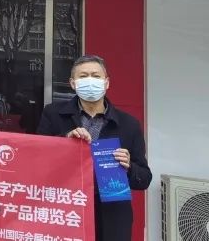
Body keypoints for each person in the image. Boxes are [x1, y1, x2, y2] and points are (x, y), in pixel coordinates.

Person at [36, 55, 151, 241]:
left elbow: (144, 179)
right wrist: (64, 142)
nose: (90, 80)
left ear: (107, 83)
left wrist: (129, 167)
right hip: (66, 208)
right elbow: (37, 158)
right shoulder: (53, 114)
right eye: (83, 76)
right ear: (73, 83)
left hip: (112, 217)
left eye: (96, 76)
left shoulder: (129, 124)